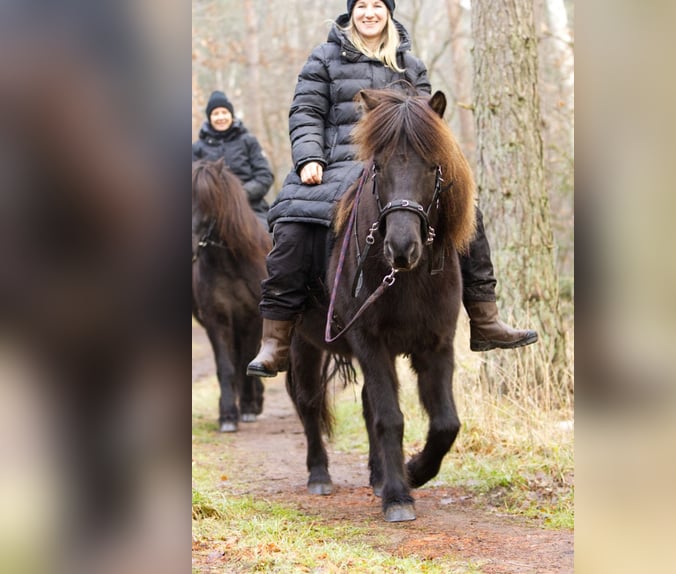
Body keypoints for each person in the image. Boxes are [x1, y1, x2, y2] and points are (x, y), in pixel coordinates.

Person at [248, 0, 537, 377]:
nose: (369, 12)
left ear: (388, 12)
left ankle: (485, 318)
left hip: (398, 170)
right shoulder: (323, 58)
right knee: (293, 227)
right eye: (361, 5)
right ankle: (277, 338)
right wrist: (309, 158)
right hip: (334, 165)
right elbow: (306, 112)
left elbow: (428, 124)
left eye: (377, 5)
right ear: (351, 12)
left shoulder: (410, 66)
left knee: (470, 213)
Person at [192, 90, 274, 225]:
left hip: (251, 208)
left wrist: (241, 193)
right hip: (209, 212)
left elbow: (264, 176)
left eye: (224, 112)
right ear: (209, 117)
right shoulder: (197, 148)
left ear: (231, 115)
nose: (220, 117)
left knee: (269, 238)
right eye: (215, 114)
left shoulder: (248, 141)